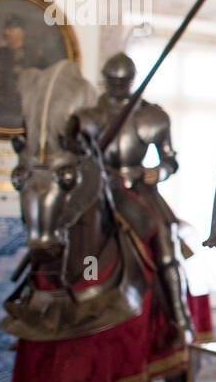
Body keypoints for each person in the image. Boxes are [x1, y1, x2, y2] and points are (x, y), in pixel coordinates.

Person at [75, 53, 195, 347]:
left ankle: (180, 322)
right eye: (113, 81)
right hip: (99, 190)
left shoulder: (150, 115)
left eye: (123, 81)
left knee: (165, 245)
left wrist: (156, 172)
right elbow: (76, 160)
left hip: (139, 191)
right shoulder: (87, 118)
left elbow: (170, 161)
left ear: (131, 81)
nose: (118, 86)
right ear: (105, 80)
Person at [0, 14, 46, 127]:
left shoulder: (35, 57)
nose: (6, 33)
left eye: (11, 29)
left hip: (24, 115)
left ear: (22, 32)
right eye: (5, 29)